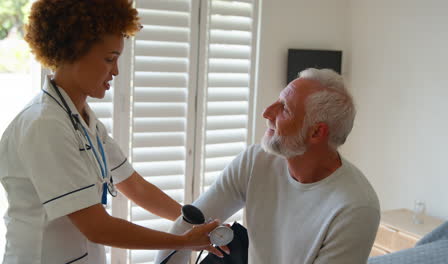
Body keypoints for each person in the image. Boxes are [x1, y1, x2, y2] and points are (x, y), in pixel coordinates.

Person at [0, 0, 221, 263]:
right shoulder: (44, 125)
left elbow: (134, 185)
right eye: (109, 59)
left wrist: (192, 222)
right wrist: (183, 242)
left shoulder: (82, 119)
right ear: (73, 50)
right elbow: (97, 227)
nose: (115, 71)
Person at [155, 68, 381, 264]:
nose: (267, 112)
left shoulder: (355, 207)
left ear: (316, 132)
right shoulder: (255, 162)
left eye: (285, 108)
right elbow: (188, 227)